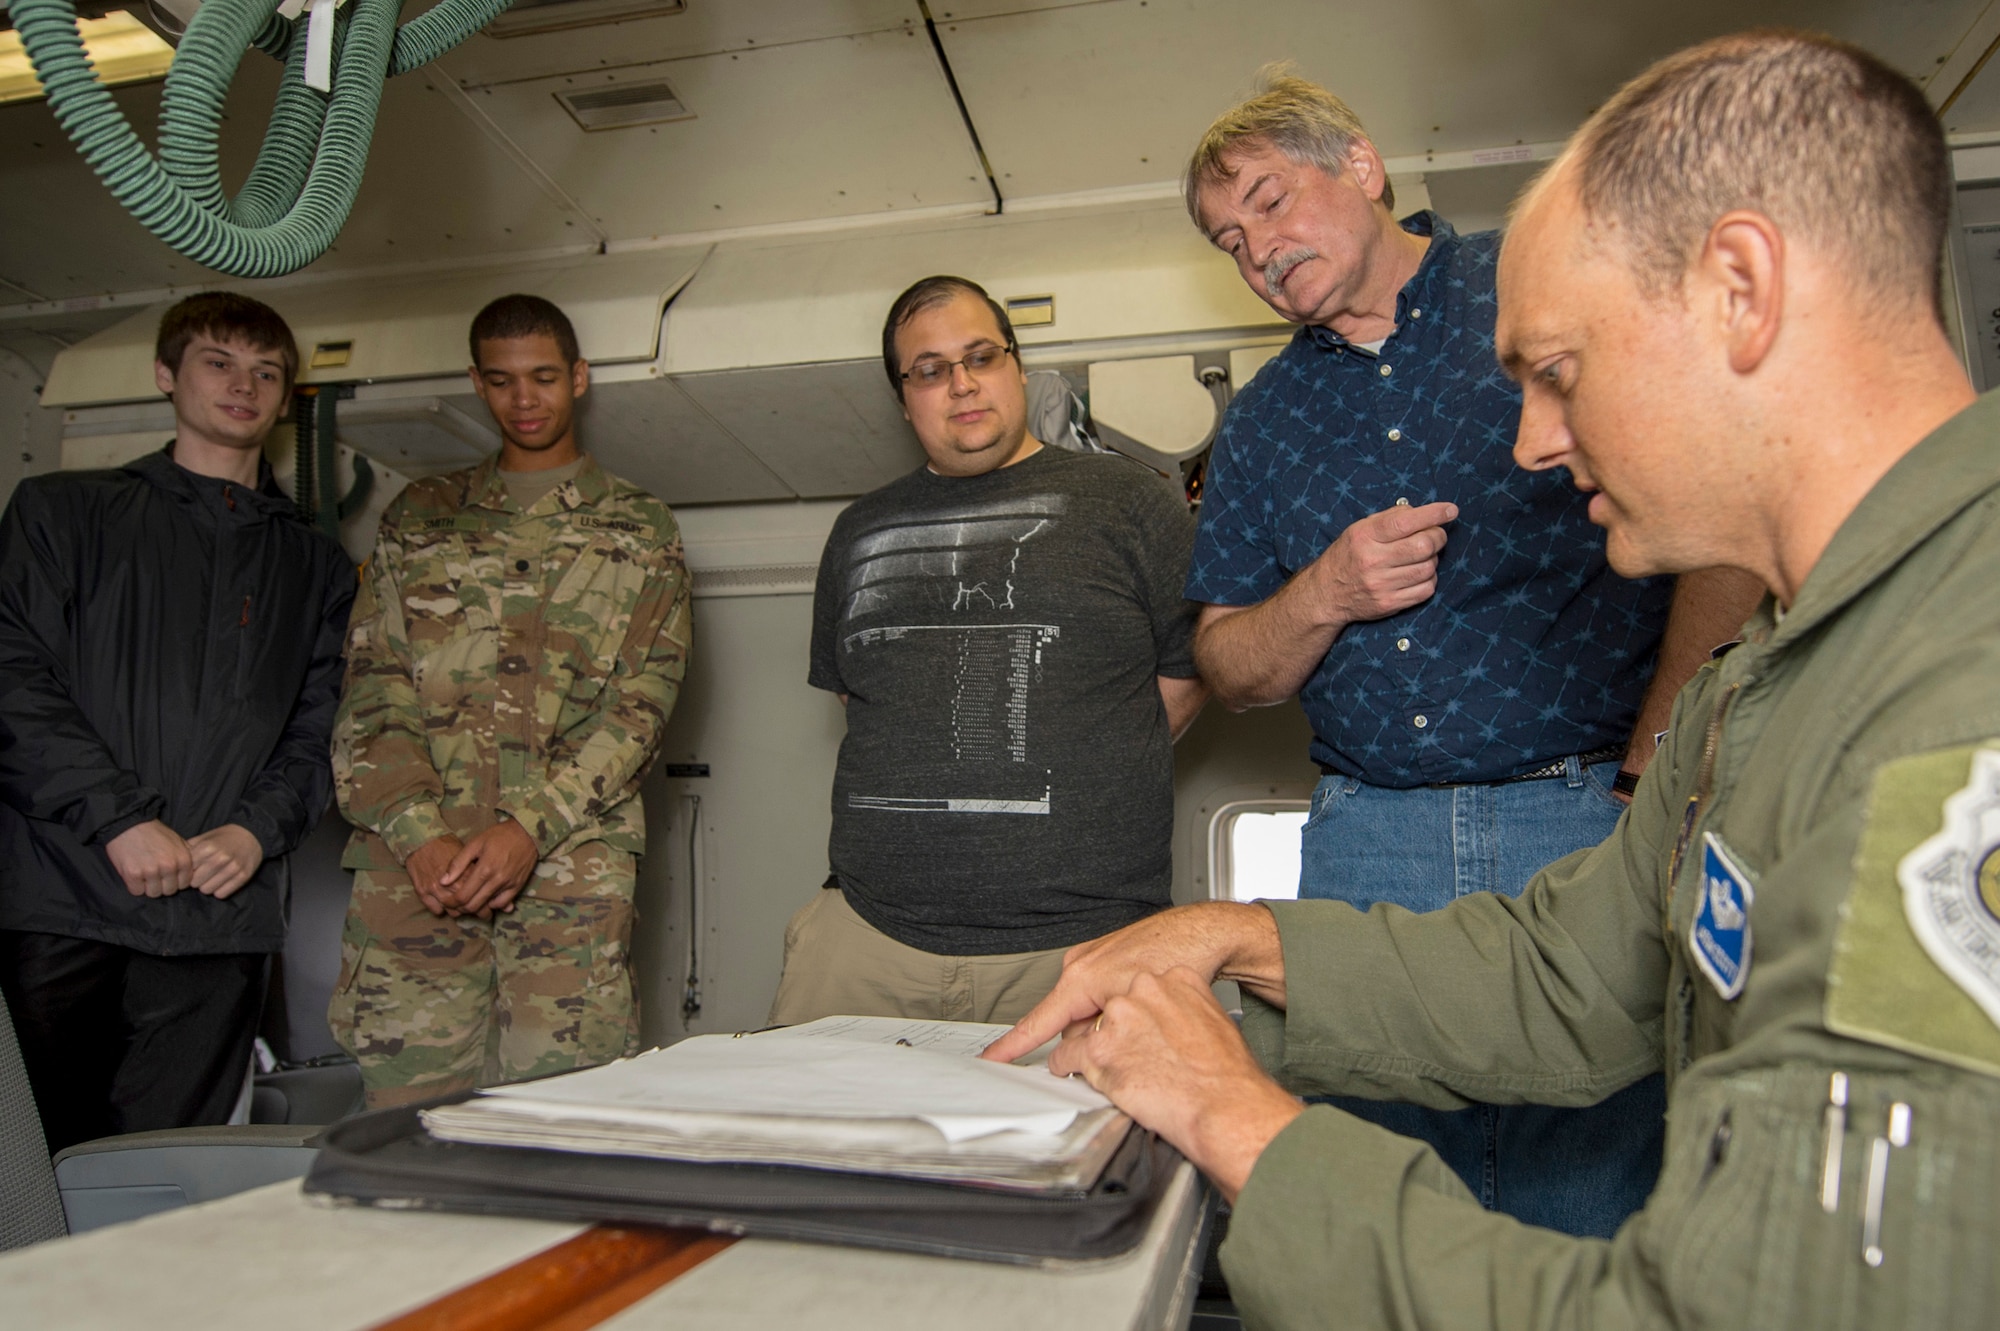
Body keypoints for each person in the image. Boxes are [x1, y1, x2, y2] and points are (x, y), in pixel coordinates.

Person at [986, 30, 2000, 1328]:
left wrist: (1242, 1122)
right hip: (1382, 835)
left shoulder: (1939, 699)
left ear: (1741, 291)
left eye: (1560, 373)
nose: (1528, 439)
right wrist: (1248, 931)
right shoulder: (1777, 686)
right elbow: (1572, 973)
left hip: (1571, 791)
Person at [1176, 68, 1767, 1235]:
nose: (1258, 249)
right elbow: (1229, 666)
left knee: (1591, 1192)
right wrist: (1323, 591)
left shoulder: (1537, 281)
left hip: (1582, 815)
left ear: (1358, 165)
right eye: (1229, 239)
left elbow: (1725, 512)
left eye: (1269, 200)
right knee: (1380, 1207)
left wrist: (1649, 771)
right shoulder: (1258, 422)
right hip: (1365, 841)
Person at [765, 275, 1207, 1027]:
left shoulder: (1132, 502)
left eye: (981, 356)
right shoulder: (858, 532)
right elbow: (865, 705)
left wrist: (1075, 754)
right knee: (808, 1145)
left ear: (1018, 367)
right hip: (867, 941)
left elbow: (1184, 680)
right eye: (930, 370)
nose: (961, 384)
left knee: (1100, 1148)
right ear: (904, 398)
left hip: (1081, 948)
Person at [0, 292, 355, 1152]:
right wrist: (118, 819)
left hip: (219, 914)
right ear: (166, 374)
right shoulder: (63, 513)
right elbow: (12, 678)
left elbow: (327, 726)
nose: (245, 385)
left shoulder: (312, 562)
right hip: (67, 897)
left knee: (170, 1171)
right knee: (33, 1174)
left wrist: (253, 831)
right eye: (218, 362)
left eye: (267, 371)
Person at [331, 293, 691, 1108]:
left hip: (568, 871)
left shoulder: (639, 527)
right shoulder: (419, 519)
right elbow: (372, 687)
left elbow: (641, 708)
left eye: (542, 378)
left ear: (579, 378)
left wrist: (528, 830)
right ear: (476, 383)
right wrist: (419, 834)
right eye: (501, 381)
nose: (524, 400)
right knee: (408, 1119)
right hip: (417, 872)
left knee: (568, 1117)